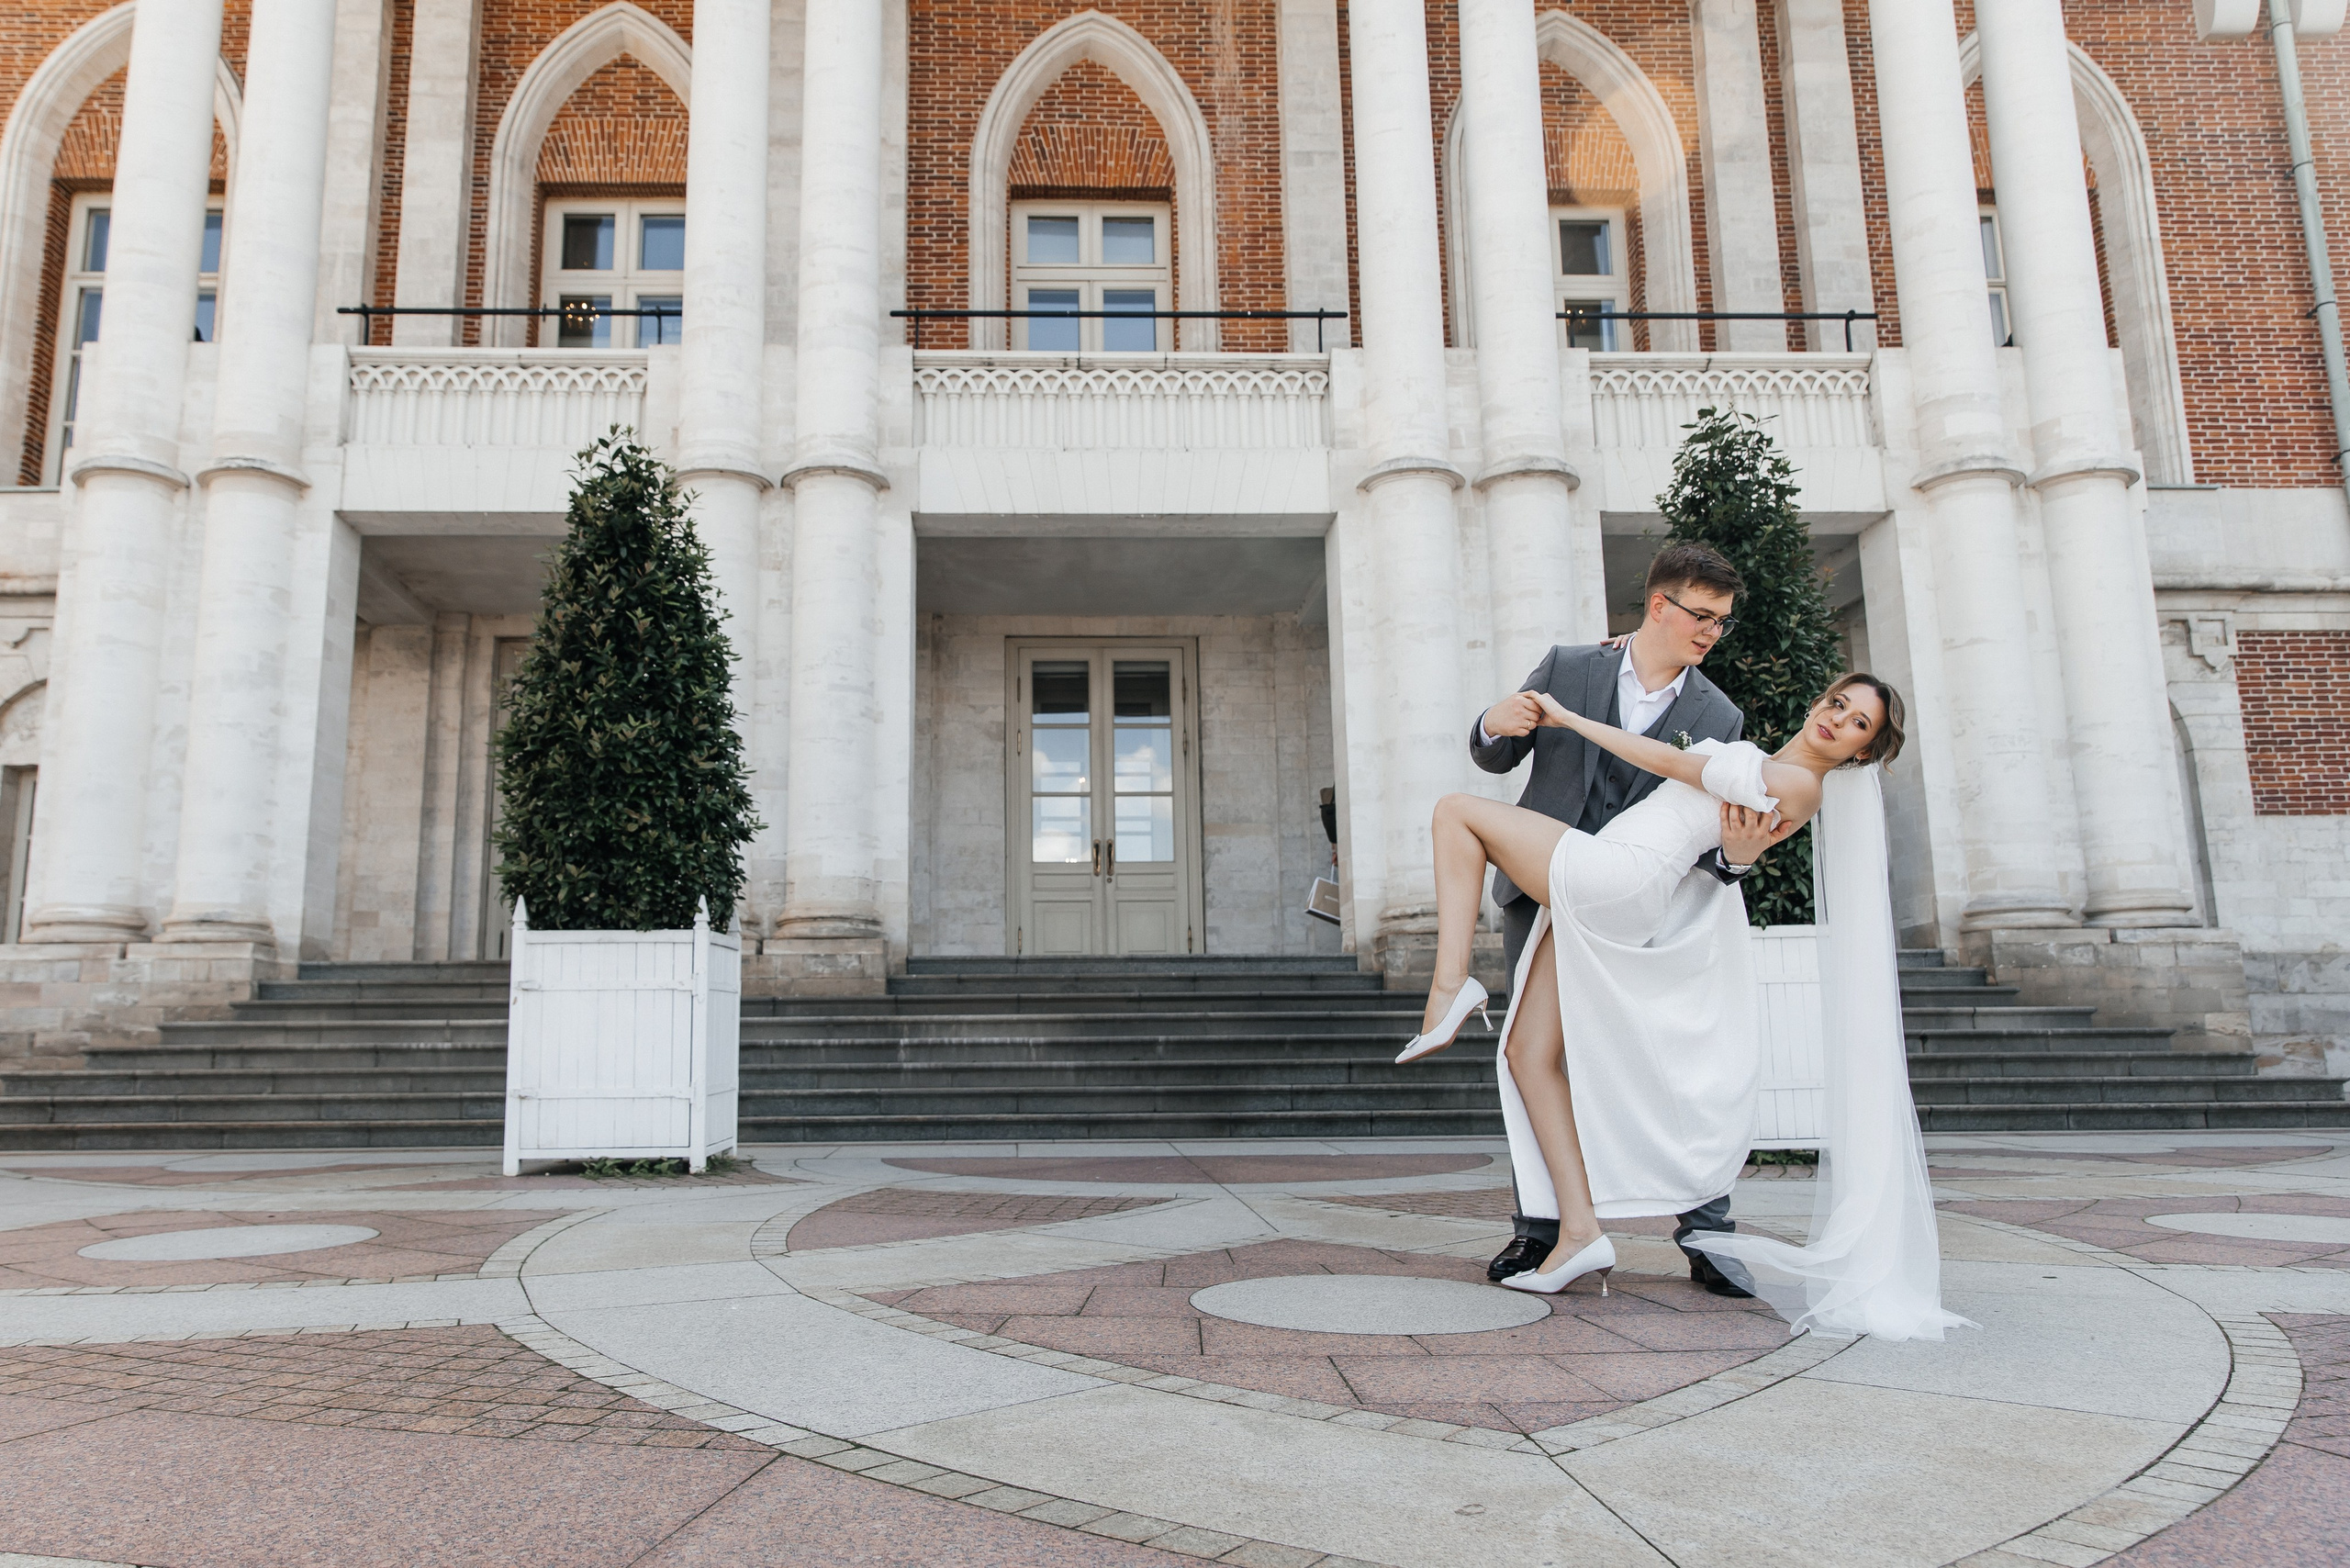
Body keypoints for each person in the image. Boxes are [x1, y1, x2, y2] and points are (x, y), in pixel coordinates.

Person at [1399, 672, 1971, 1341]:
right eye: (1838, 703)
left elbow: (1670, 764)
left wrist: (1570, 718)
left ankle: (1450, 986)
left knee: (1455, 813)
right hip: (1619, 880)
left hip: (1624, 873)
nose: (1837, 720)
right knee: (1529, 1055)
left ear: (1863, 754)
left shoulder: (1801, 785)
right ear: (1820, 701)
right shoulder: (1768, 761)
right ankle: (1580, 1231)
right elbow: (1721, 836)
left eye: (1857, 725)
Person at [1464, 543, 1779, 1294]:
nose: (1711, 633)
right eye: (1701, 616)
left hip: (1641, 912)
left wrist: (1735, 860)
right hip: (1543, 891)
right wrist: (1490, 724)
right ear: (1659, 605)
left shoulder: (1719, 713)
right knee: (1534, 1059)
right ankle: (1540, 1230)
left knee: (1666, 1062)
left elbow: (1710, 839)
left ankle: (1707, 1233)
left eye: (1722, 623)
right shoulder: (1569, 666)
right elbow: (1495, 763)